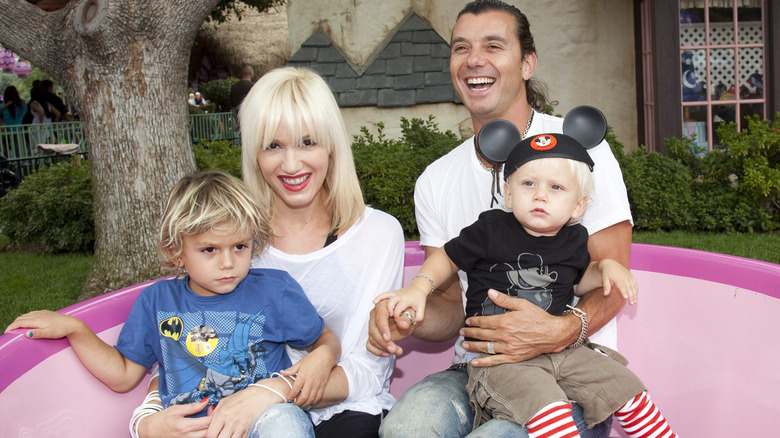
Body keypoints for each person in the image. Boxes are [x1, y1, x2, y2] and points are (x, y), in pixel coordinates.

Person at [369, 1, 633, 436]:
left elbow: (612, 280)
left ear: (527, 62)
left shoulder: (580, 154)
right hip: (476, 366)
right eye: (461, 48)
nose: (474, 60)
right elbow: (452, 309)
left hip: (568, 369)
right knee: (405, 428)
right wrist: (409, 311)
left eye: (493, 45)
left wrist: (561, 331)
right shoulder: (435, 180)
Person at [135, 67, 404, 438]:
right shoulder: (233, 239)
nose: (291, 164)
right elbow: (184, 338)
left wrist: (270, 392)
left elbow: (370, 370)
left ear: (332, 145)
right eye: (273, 146)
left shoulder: (377, 234)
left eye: (307, 142)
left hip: (340, 408)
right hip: (233, 413)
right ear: (254, 153)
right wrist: (146, 419)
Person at [376, 133, 676, 438]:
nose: (540, 195)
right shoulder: (490, 228)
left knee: (626, 388)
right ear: (508, 194)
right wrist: (419, 287)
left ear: (578, 206)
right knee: (547, 407)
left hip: (564, 351)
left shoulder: (575, 239)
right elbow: (448, 258)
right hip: (501, 360)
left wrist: (606, 268)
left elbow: (581, 281)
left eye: (556, 188)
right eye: (528, 184)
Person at [5, 170, 342, 434]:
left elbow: (324, 340)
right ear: (175, 251)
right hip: (187, 429)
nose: (228, 262)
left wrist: (323, 357)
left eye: (240, 247)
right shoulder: (157, 301)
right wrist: (77, 330)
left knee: (284, 422)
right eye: (209, 249)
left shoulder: (274, 291)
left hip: (260, 421)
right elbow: (123, 375)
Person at [0, 86, 28, 156]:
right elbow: (24, 115)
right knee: (18, 148)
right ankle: (20, 163)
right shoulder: (23, 106)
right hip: (18, 129)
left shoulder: (2, 106)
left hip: (5, 131)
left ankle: (6, 162)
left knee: (4, 148)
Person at [229, 64, 254, 131]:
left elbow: (232, 107)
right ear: (251, 72)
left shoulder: (234, 87)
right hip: (252, 122)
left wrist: (238, 122)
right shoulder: (253, 87)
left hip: (240, 122)